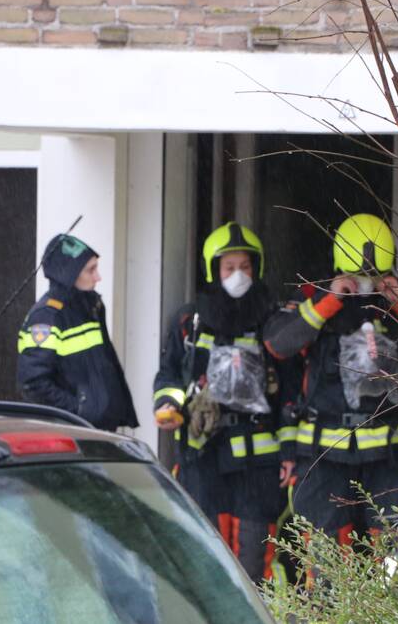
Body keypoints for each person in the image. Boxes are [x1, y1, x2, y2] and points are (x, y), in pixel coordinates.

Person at [263, 214, 398, 546]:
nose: (366, 283)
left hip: (389, 458)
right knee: (325, 557)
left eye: (373, 275)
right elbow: (277, 343)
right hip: (324, 456)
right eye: (358, 276)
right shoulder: (315, 296)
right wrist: (330, 300)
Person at [152, 222, 290, 581]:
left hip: (257, 465)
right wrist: (167, 405)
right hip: (204, 458)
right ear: (214, 270)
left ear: (257, 268)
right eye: (229, 268)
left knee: (253, 560)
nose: (238, 275)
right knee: (206, 559)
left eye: (244, 267)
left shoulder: (272, 321)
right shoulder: (190, 321)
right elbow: (169, 374)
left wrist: (291, 451)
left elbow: (290, 389)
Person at [17, 234, 139, 432]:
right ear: (69, 273)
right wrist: (79, 411)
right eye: (91, 270)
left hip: (99, 428)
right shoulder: (46, 317)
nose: (98, 277)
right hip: (71, 433)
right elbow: (33, 383)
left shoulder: (91, 306)